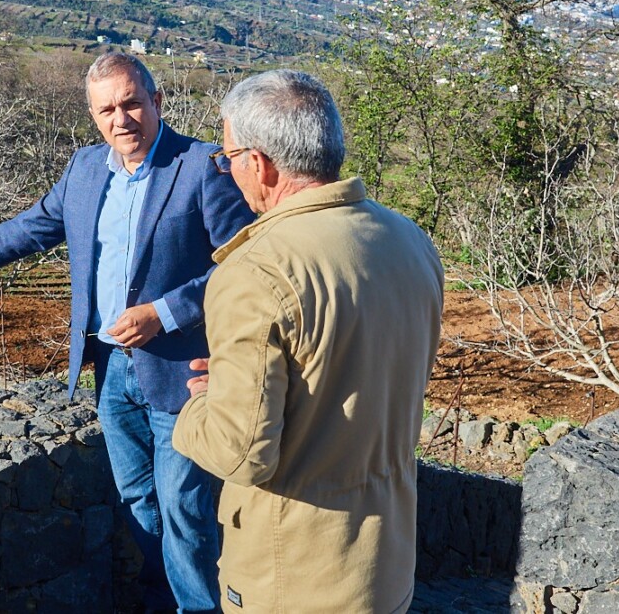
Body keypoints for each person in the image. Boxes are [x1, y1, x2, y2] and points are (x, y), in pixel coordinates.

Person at [0, 51, 254, 613]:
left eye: (131, 104)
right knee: (137, 499)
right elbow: (23, 232)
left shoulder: (201, 167)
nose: (120, 119)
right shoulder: (84, 171)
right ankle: (163, 601)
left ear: (156, 101)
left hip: (185, 371)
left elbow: (243, 266)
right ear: (92, 115)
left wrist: (164, 312)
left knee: (184, 506)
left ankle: (199, 607)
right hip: (108, 368)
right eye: (106, 110)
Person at [173, 69, 443, 614]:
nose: (226, 171)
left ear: (259, 163)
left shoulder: (256, 270)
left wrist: (200, 406)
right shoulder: (409, 241)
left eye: (226, 158)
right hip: (385, 560)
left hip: (292, 572)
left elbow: (241, 452)